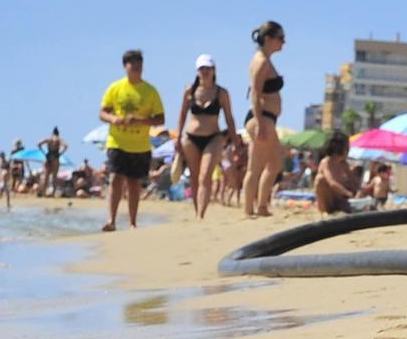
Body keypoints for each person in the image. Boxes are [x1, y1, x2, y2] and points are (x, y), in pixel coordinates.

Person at [97, 48, 165, 231]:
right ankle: (111, 220)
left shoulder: (150, 91)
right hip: (117, 141)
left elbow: (160, 119)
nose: (136, 67)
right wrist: (114, 119)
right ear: (125, 67)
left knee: (134, 183)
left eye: (139, 64)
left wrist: (140, 120)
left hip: (140, 144)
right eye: (132, 64)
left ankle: (132, 222)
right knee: (115, 179)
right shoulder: (115, 88)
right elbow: (102, 112)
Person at [177, 54, 238, 221]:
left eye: (208, 68)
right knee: (195, 177)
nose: (205, 71)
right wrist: (177, 138)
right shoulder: (189, 91)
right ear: (197, 71)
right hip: (191, 138)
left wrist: (235, 139)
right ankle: (197, 210)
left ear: (214, 70)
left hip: (213, 137)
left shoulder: (221, 93)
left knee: (205, 175)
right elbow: (182, 114)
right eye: (202, 68)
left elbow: (229, 117)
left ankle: (201, 215)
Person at [245, 20, 286, 218]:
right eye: (280, 38)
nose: (283, 43)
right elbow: (255, 93)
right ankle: (259, 206)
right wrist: (260, 122)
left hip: (264, 118)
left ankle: (253, 208)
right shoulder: (261, 61)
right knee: (273, 164)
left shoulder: (263, 59)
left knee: (257, 166)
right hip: (262, 118)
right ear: (268, 39)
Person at [313, 131, 356, 216]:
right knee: (320, 179)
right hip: (327, 201)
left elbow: (352, 180)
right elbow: (332, 183)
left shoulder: (344, 164)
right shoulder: (326, 162)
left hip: (338, 199)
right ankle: (324, 211)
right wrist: (348, 193)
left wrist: (359, 190)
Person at [40, 127, 68, 198]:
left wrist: (44, 152)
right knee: (54, 176)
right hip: (55, 157)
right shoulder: (59, 139)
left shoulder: (48, 139)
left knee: (46, 176)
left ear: (52, 133)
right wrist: (60, 153)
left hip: (48, 157)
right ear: (58, 133)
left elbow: (38, 143)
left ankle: (43, 193)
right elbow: (66, 146)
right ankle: (53, 193)